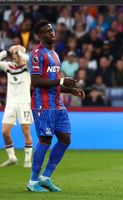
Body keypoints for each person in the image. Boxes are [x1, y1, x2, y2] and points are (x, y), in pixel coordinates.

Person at [26, 20, 85, 192]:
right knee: (45, 140)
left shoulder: (55, 54)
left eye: (52, 30)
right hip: (42, 105)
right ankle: (32, 182)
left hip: (57, 104)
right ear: (39, 35)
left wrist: (69, 89)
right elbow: (36, 81)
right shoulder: (37, 53)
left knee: (65, 139)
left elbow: (54, 83)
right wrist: (61, 81)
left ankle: (45, 177)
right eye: (47, 31)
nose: (52, 33)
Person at [0, 45, 33, 168]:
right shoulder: (9, 66)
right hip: (10, 104)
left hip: (24, 102)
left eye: (15, 54)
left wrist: (20, 53)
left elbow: (30, 59)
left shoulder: (27, 66)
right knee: (4, 132)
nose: (13, 56)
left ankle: (27, 160)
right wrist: (6, 52)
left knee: (26, 130)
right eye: (13, 54)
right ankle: (12, 158)